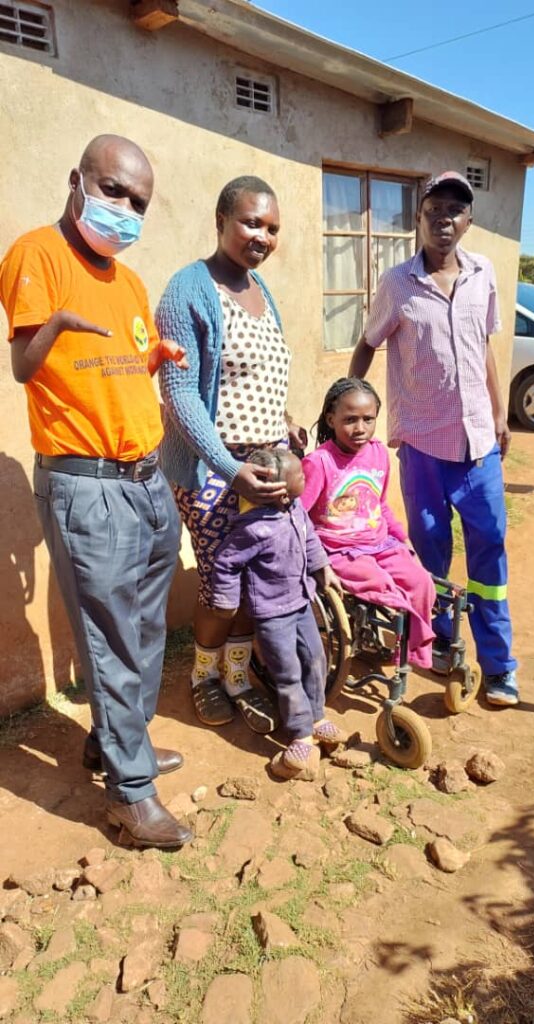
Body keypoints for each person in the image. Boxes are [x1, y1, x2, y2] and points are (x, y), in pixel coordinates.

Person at [0, 134, 193, 849]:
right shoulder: (37, 255)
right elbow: (25, 366)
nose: (125, 209)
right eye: (114, 190)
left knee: (142, 630)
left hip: (146, 479)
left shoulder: (131, 283)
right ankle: (130, 798)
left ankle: (115, 743)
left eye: (138, 201)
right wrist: (55, 323)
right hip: (88, 485)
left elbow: (113, 369)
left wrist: (155, 357)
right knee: (110, 638)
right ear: (76, 180)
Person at [349, 171, 518, 706]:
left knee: (489, 551)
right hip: (422, 446)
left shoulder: (483, 274)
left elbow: (483, 348)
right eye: (434, 209)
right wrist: (347, 403)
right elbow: (368, 342)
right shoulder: (397, 284)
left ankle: (498, 665)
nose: (444, 217)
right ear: (418, 219)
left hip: (478, 445)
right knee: (430, 553)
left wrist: (500, 414)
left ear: (468, 221)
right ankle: (442, 640)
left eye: (455, 209)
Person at [156, 175, 307, 733]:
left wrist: (284, 423)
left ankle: (238, 676)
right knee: (222, 586)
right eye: (251, 222)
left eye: (272, 228)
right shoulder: (188, 289)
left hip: (264, 466)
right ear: (221, 221)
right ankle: (204, 677)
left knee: (259, 579)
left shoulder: (261, 289)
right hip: (213, 469)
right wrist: (231, 469)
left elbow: (259, 376)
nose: (262, 236)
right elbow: (180, 391)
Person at [211, 448, 347, 780]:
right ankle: (300, 733)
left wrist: (323, 568)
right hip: (273, 615)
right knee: (287, 673)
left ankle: (317, 715)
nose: (305, 476)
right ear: (281, 491)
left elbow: (310, 539)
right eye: (299, 475)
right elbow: (226, 562)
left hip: (302, 602)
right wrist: (226, 601)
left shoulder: (296, 509)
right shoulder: (254, 528)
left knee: (316, 659)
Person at [302, 378, 436, 669]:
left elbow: (381, 504)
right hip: (338, 550)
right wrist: (317, 561)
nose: (360, 428)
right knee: (381, 583)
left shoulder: (378, 454)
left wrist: (404, 541)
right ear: (331, 420)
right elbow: (299, 516)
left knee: (421, 582)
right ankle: (398, 633)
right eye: (350, 419)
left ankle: (412, 648)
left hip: (379, 543)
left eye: (368, 419)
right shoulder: (319, 462)